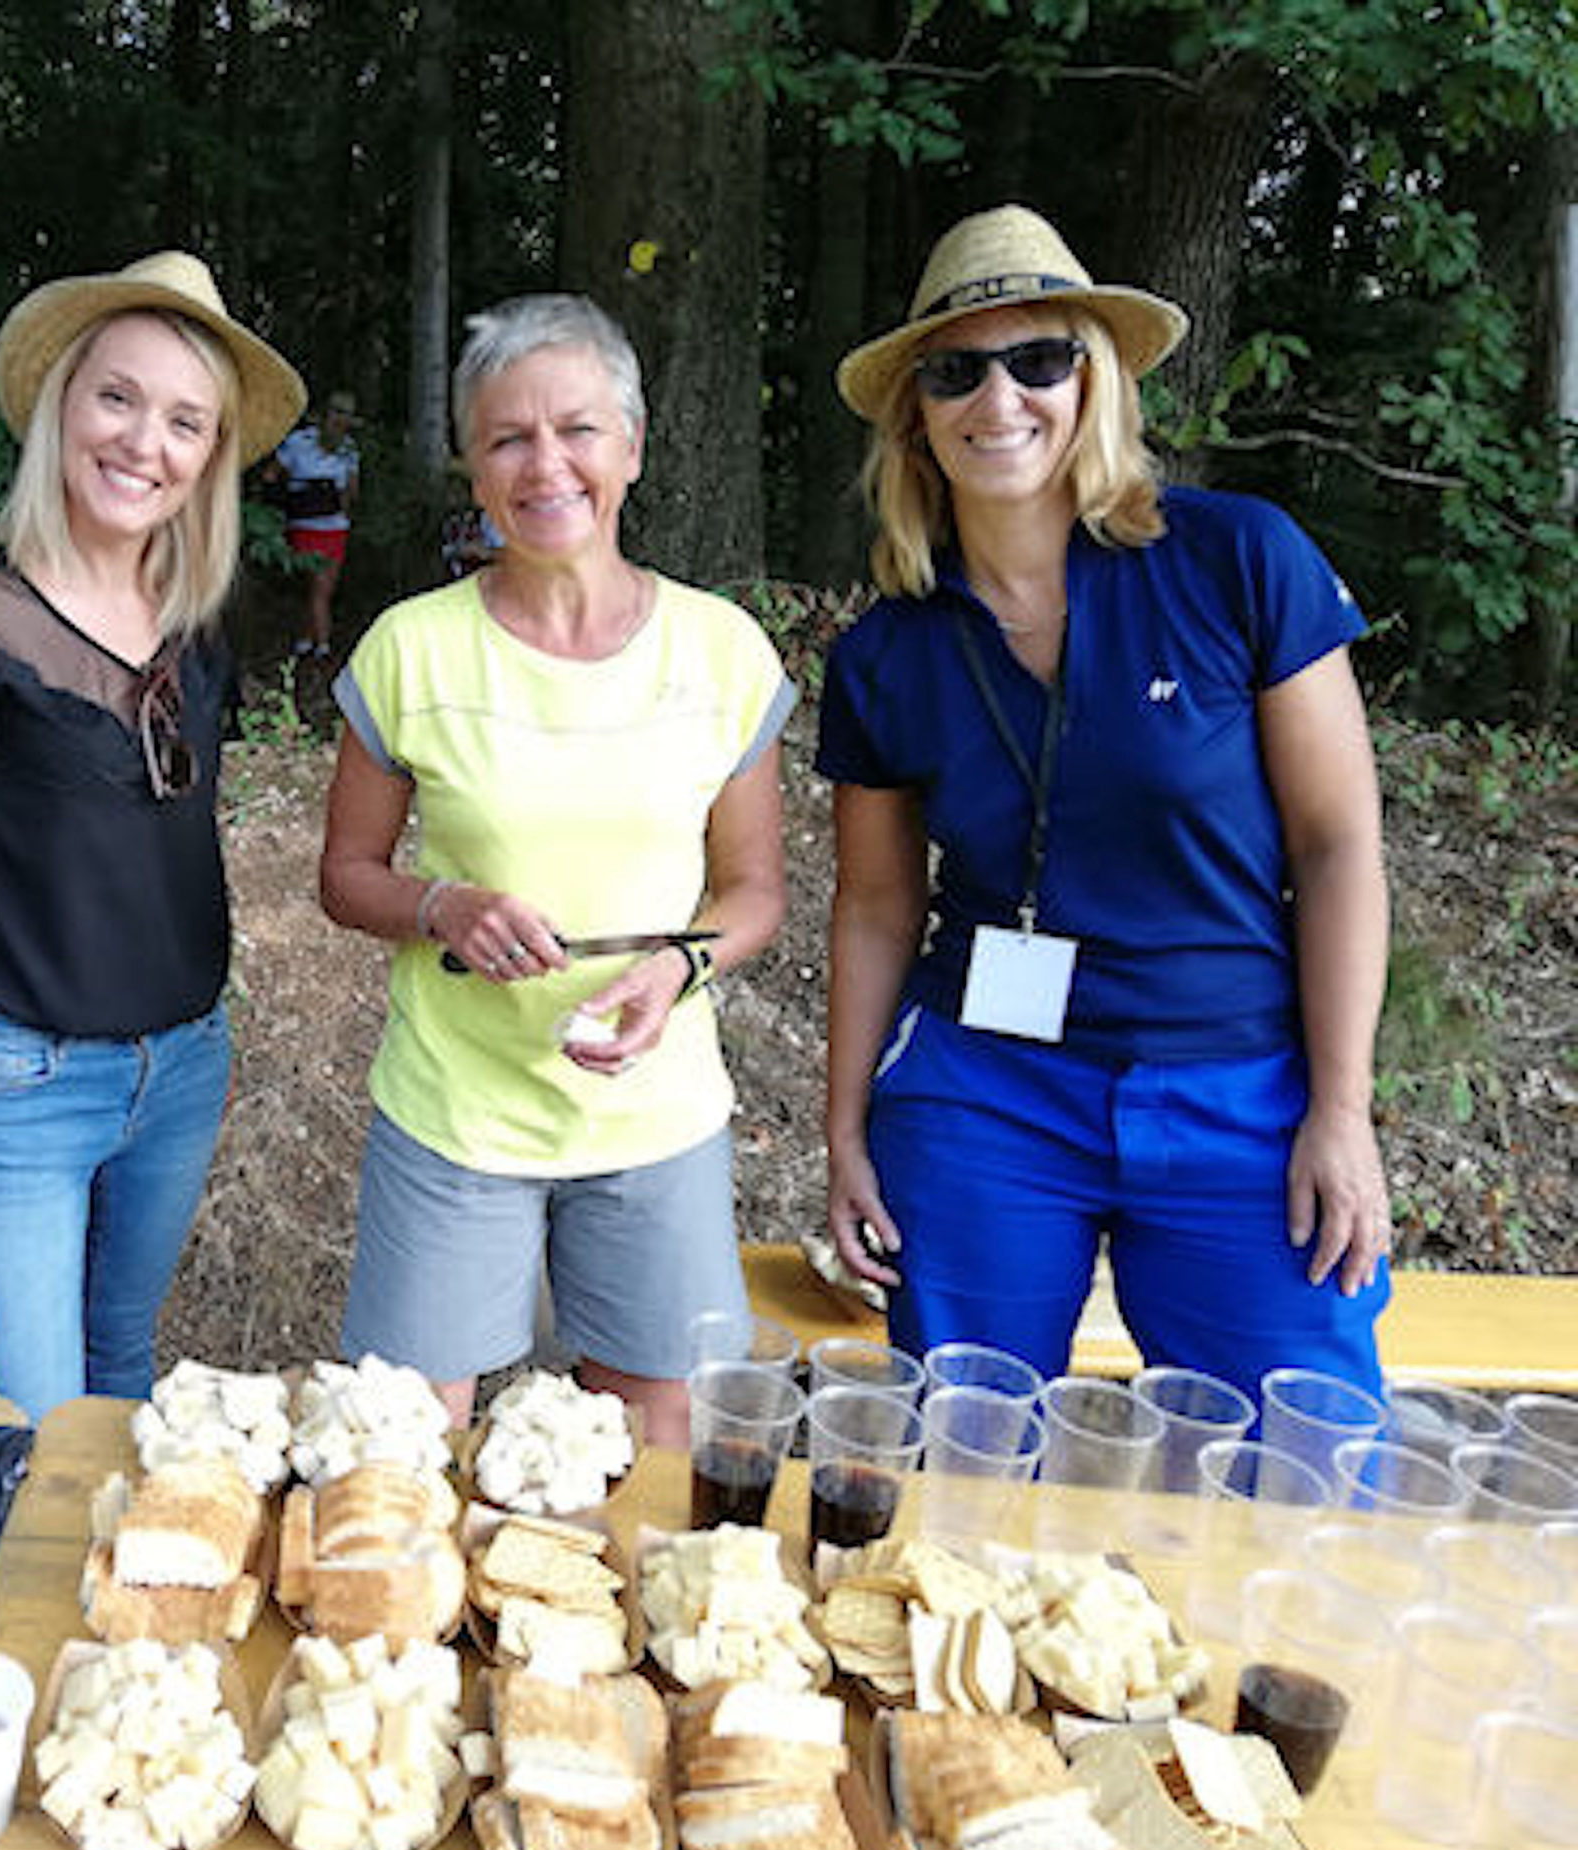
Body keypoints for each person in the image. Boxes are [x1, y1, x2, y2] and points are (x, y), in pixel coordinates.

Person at [817, 204, 1392, 1402]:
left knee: (1302, 1457)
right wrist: (844, 1132)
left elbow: (1337, 846)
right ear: (914, 416)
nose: (999, 398)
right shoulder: (886, 653)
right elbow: (875, 908)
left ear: (1094, 384)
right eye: (956, 371)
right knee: (963, 1451)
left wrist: (1341, 1109)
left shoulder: (1237, 560)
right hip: (989, 1094)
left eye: (1040, 360)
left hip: (1235, 1083)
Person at [318, 294, 790, 1450]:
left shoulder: (719, 651)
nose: (547, 465)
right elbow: (345, 875)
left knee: (654, 1443)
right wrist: (442, 906)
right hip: (454, 1112)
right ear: (474, 471)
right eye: (508, 439)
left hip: (654, 1119)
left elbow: (754, 893)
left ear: (630, 446)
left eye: (577, 430)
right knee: (403, 1445)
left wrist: (675, 971)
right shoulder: (409, 647)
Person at [0, 252, 304, 1419]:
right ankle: (18, 1605)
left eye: (183, 421)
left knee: (116, 1383)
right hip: (15, 1081)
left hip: (181, 1068)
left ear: (208, 459)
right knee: (28, 1425)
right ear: (62, 407)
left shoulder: (200, 622)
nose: (143, 442)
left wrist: (197, 1046)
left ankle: (111, 1611)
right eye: (117, 398)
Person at [265, 390, 361, 656]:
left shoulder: (348, 448)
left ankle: (307, 641)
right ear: (324, 415)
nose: (339, 420)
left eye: (346, 415)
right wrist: (290, 498)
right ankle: (324, 648)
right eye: (336, 413)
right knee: (315, 587)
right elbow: (271, 475)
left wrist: (341, 497)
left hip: (336, 526)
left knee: (323, 590)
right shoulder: (298, 442)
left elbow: (353, 492)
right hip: (305, 525)